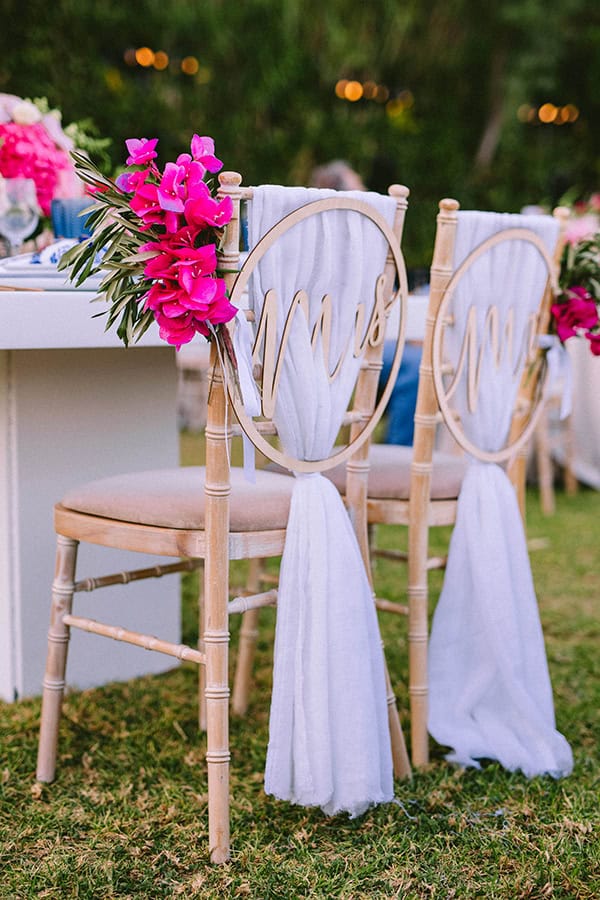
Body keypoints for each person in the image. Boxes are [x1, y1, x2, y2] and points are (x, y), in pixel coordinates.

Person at [310, 160, 422, 445]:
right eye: (362, 191)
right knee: (413, 367)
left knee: (415, 359)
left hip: (366, 336)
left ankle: (392, 450)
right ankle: (398, 454)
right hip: (340, 340)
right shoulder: (331, 241)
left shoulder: (366, 239)